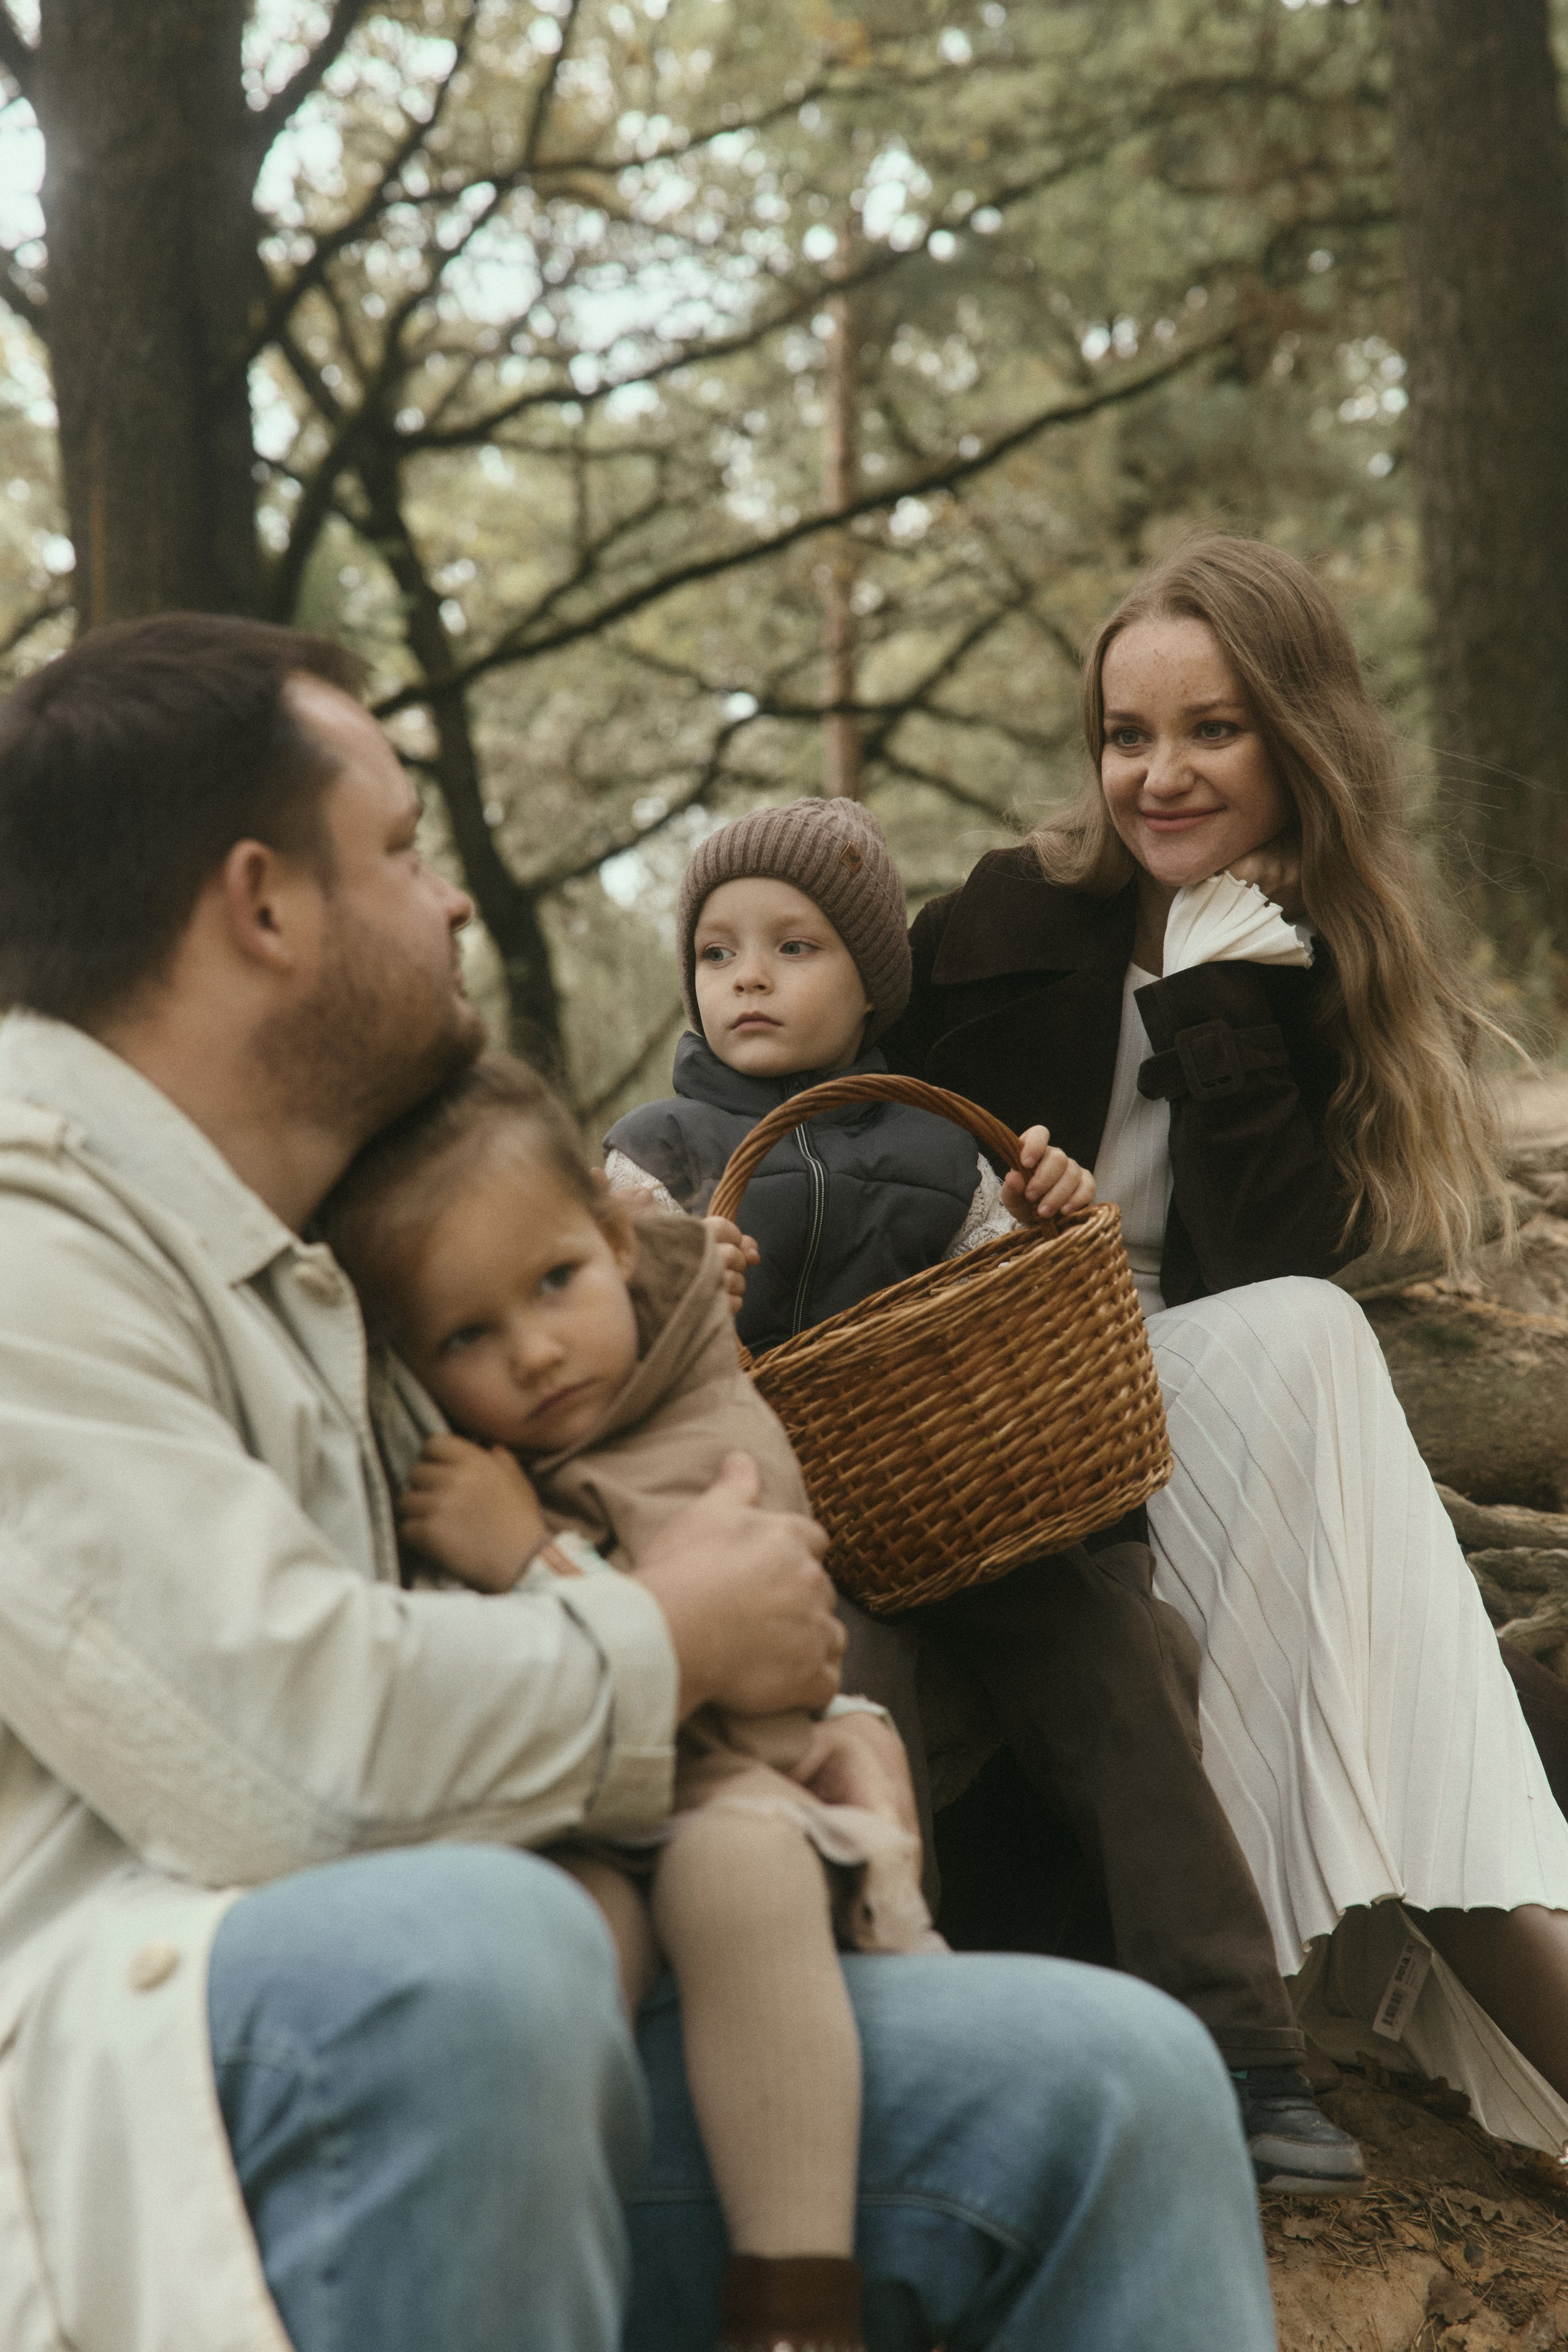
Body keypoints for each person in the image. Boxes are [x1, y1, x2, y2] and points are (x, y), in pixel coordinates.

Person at [0, 611, 1278, 2352]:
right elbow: (277, 1755)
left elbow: (626, 1474)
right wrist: (671, 1644)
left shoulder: (335, 1217)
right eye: (403, 849)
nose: (452, 902)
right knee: (487, 1956)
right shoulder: (36, 1241)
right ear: (263, 904)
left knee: (1116, 2086)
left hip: (531, 1995)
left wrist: (801, 1724)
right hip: (153, 2117)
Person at [881, 532, 1568, 2155]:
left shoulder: (1318, 977)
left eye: (1212, 729)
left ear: (1296, 738)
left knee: (1315, 1379)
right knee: (1310, 1347)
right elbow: (847, 1115)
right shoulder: (1002, 922)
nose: (1158, 774)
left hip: (1202, 1448)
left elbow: (1264, 1253)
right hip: (997, 1431)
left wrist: (1214, 999)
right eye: (1127, 735)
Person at [603, 794, 1363, 2192]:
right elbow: (584, 1349)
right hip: (778, 1528)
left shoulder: (937, 1142)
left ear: (873, 984)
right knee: (861, 1687)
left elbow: (997, 1310)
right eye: (717, 952)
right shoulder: (653, 1159)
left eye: (794, 948)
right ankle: (910, 2051)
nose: (749, 978)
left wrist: (1036, 1219)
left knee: (1116, 1640)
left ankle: (1241, 2045)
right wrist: (658, 1290)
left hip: (959, 1509)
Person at [320, 1052, 941, 2352]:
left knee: (740, 1872)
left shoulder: (698, 1397)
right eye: (466, 1337)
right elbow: (447, 1681)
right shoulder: (452, 1461)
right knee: (547, 1946)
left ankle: (795, 2297)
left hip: (720, 1786)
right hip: (564, 1812)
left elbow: (751, 1665)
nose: (536, 1351)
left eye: (555, 1282)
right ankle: (517, 2283)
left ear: (616, 1242)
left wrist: (531, 1560)